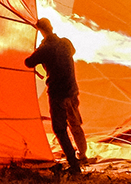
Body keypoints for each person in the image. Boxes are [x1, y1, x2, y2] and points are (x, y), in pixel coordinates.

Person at [25, 17, 86, 173]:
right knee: (75, 123)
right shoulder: (65, 42)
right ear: (51, 26)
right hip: (71, 89)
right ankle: (83, 155)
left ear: (40, 31)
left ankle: (73, 163)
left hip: (58, 93)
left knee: (59, 128)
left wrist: (39, 47)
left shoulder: (45, 49)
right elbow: (73, 51)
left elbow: (29, 62)